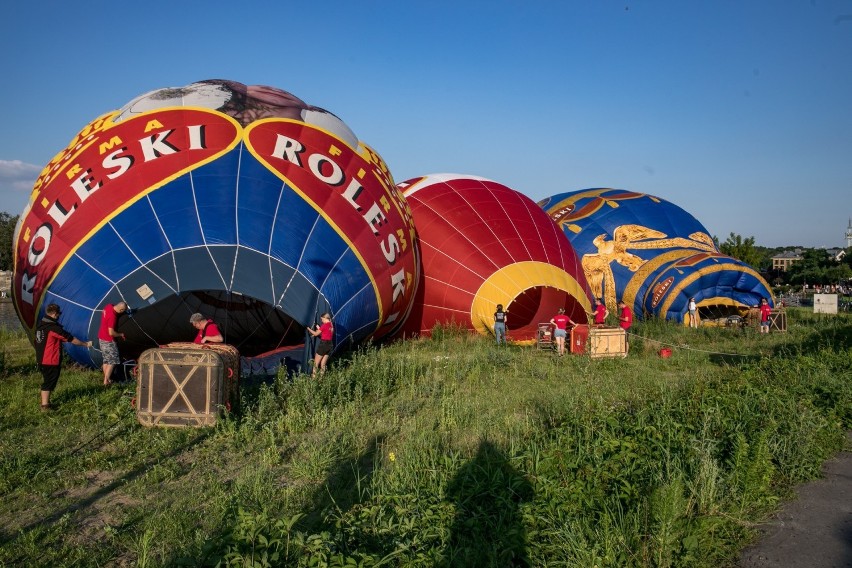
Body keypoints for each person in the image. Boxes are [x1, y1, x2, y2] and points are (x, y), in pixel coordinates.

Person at [34, 303, 92, 411]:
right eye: (58, 314)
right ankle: (45, 405)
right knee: (49, 382)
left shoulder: (41, 326)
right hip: (50, 360)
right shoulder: (53, 328)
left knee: (48, 380)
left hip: (41, 359)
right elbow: (70, 339)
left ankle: (46, 403)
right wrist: (85, 344)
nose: (59, 316)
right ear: (55, 314)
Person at [98, 301, 128, 386]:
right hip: (109, 341)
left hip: (101, 337)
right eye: (123, 311)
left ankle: (108, 379)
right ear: (121, 310)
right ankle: (106, 381)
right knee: (113, 361)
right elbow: (111, 332)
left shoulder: (108, 306)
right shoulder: (113, 317)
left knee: (106, 360)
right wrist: (120, 334)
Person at [307, 312, 334, 377]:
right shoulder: (331, 325)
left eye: (322, 319)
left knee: (315, 364)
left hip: (323, 345)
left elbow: (316, 334)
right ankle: (321, 379)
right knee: (323, 364)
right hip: (330, 345)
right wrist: (319, 329)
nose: (321, 321)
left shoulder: (324, 325)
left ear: (325, 318)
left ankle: (313, 380)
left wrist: (308, 329)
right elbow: (326, 334)